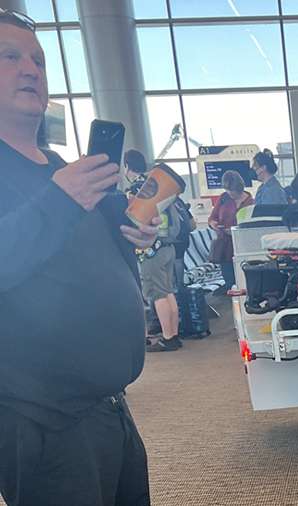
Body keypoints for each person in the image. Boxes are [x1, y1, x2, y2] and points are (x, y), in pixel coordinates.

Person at [0, 10, 158, 505]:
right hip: (43, 421)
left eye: (39, 61)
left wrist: (132, 234)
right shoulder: (55, 184)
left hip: (111, 408)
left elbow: (91, 265)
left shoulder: (66, 169)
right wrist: (58, 202)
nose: (31, 69)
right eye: (9, 56)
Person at [140, 163, 185, 352]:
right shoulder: (170, 200)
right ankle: (173, 334)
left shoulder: (151, 200)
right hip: (169, 248)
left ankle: (167, 337)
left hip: (154, 252)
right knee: (168, 292)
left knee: (158, 294)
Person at [209, 170, 254, 289]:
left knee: (244, 279)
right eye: (227, 191)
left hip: (243, 245)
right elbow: (212, 218)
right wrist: (214, 225)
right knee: (229, 282)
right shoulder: (224, 198)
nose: (230, 194)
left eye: (232, 192)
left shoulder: (250, 202)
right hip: (225, 247)